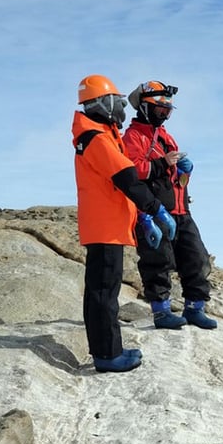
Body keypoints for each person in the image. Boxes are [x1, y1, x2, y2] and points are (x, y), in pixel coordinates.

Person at [72, 74, 176, 373]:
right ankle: (107, 355)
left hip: (108, 225)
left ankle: (107, 349)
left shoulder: (99, 133)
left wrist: (141, 216)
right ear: (103, 103)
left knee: (103, 290)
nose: (121, 108)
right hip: (105, 228)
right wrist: (155, 209)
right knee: (104, 292)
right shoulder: (96, 138)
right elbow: (127, 179)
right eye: (116, 102)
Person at [123, 80, 217, 330]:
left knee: (196, 258)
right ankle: (162, 312)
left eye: (168, 111)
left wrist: (186, 171)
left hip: (180, 209)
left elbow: (174, 176)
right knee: (158, 260)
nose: (165, 115)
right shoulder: (134, 136)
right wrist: (164, 163)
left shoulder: (164, 136)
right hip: (153, 211)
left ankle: (195, 308)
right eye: (160, 109)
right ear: (144, 106)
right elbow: (131, 172)